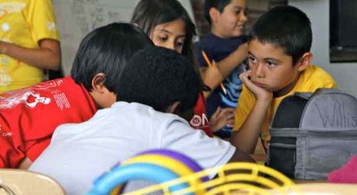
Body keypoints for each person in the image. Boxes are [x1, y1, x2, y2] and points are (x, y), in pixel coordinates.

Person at [29, 46, 254, 195]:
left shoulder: (73, 129)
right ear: (175, 110)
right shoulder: (162, 125)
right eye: (189, 119)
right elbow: (250, 172)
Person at [0, 23, 153, 182]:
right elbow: (31, 171)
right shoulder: (77, 116)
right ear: (100, 83)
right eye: (131, 91)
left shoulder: (62, 86)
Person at [230, 5, 337, 155]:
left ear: (302, 62)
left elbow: (323, 156)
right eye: (252, 59)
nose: (258, 72)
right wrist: (262, 101)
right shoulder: (254, 87)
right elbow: (239, 153)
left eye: (270, 63)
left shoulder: (319, 87)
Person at [130, 0, 231, 135]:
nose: (172, 49)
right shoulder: (122, 88)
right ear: (137, 31)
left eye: (179, 43)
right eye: (163, 38)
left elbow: (197, 144)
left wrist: (207, 130)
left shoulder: (190, 90)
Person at [195, 0, 248, 139]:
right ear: (215, 14)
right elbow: (204, 84)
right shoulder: (201, 48)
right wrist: (241, 53)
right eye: (237, 12)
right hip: (216, 133)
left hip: (251, 130)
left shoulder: (251, 42)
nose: (244, 18)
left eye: (245, 12)